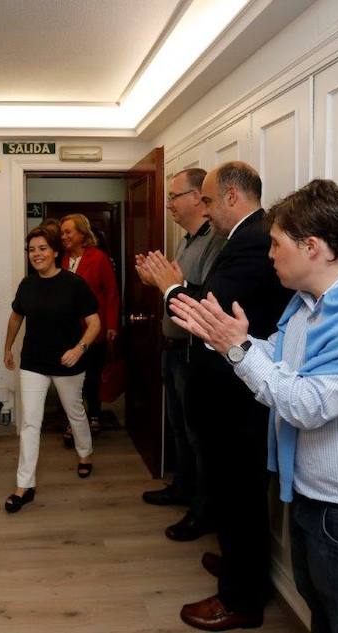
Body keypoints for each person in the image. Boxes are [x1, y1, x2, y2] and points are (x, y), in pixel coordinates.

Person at [169, 179, 338, 633]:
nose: (269, 255)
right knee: (327, 617)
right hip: (323, 500)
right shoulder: (309, 304)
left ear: (312, 247)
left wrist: (236, 349)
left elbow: (304, 404)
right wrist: (227, 339)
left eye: (276, 244)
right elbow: (277, 354)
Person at [137, 161, 292, 630]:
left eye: (206, 199)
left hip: (237, 401)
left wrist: (169, 288)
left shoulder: (251, 240)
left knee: (239, 497)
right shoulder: (241, 238)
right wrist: (179, 286)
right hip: (231, 394)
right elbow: (213, 297)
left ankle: (240, 601)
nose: (203, 208)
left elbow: (210, 314)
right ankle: (244, 574)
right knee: (234, 498)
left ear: (230, 197)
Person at [138, 168, 225, 544]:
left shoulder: (215, 243)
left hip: (194, 354)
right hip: (172, 348)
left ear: (197, 199)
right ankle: (181, 488)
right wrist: (158, 282)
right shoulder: (186, 240)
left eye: (174, 196)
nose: (169, 204)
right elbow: (175, 288)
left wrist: (169, 283)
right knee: (178, 428)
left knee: (196, 434)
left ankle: (202, 511)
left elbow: (204, 297)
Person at [2, 226, 100, 513]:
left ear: (56, 251)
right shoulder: (27, 285)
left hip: (67, 362)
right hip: (33, 362)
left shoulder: (74, 284)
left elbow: (94, 323)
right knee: (30, 422)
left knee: (75, 412)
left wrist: (79, 349)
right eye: (32, 249)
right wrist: (7, 347)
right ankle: (24, 485)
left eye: (42, 248)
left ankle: (85, 454)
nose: (37, 254)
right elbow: (15, 318)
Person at [60, 213, 119, 441]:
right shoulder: (63, 259)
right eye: (63, 232)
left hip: (94, 327)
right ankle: (73, 420)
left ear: (82, 234)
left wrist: (112, 324)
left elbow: (111, 292)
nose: (64, 236)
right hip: (68, 330)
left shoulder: (99, 258)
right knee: (71, 377)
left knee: (92, 376)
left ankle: (94, 415)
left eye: (68, 232)